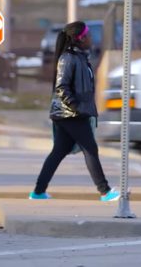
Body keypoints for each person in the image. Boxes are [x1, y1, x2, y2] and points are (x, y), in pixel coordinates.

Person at [30, 21, 120, 202]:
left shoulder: (80, 57)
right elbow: (62, 87)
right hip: (70, 114)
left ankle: (38, 192)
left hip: (72, 113)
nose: (91, 38)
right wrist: (76, 107)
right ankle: (105, 191)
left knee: (59, 151)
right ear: (79, 39)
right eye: (88, 35)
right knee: (90, 149)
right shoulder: (68, 58)